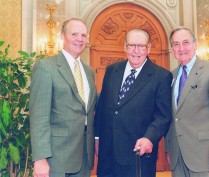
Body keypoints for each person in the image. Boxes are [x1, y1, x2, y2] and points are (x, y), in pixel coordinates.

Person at [94, 28, 173, 177]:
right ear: (125, 47)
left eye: (141, 46)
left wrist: (150, 138)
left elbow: (163, 116)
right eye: (131, 45)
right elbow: (103, 106)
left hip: (137, 155)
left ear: (148, 48)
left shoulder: (161, 76)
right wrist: (97, 137)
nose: (136, 51)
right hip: (107, 153)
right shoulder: (112, 70)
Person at [29, 18, 97, 177]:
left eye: (83, 35)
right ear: (62, 36)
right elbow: (39, 116)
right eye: (74, 34)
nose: (79, 39)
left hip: (84, 157)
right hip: (56, 158)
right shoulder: (45, 67)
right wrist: (40, 158)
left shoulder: (89, 72)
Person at [165, 26, 209, 177]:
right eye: (176, 44)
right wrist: (169, 148)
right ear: (172, 49)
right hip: (178, 157)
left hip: (206, 156)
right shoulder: (171, 76)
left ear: (195, 45)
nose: (181, 48)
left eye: (186, 42)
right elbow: (172, 117)